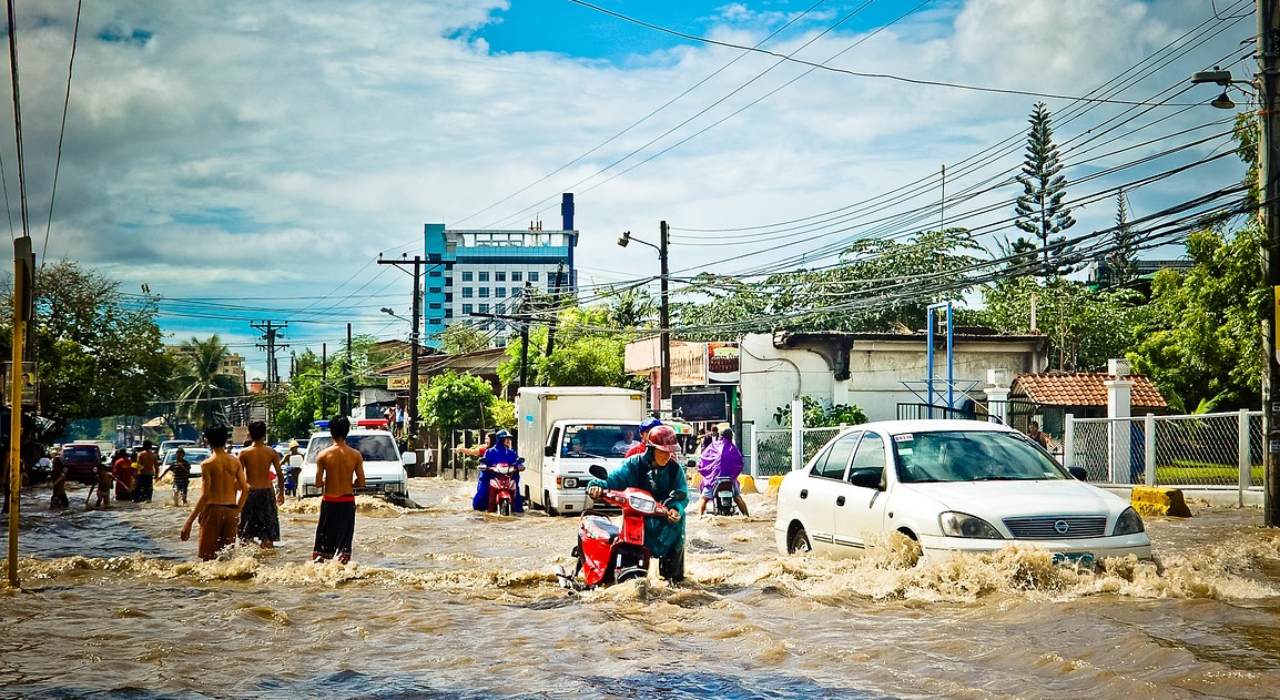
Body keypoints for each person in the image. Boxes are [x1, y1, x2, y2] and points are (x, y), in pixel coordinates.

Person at [586, 425, 688, 582]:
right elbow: (613, 479)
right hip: (639, 518)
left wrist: (676, 509)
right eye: (663, 451)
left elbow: (682, 494)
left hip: (667, 520)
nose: (667, 456)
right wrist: (597, 485)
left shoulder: (675, 470)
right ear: (651, 449)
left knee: (675, 576)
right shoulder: (634, 465)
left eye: (670, 451)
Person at [181, 425, 248, 561]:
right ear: (225, 440)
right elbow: (245, 489)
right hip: (231, 511)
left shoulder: (207, 464)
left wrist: (189, 522)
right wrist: (237, 511)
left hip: (213, 510)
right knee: (226, 558)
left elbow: (205, 496)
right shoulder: (235, 461)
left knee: (208, 558)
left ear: (207, 441)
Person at [312, 415, 365, 564]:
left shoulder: (323, 455)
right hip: (347, 502)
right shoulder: (355, 455)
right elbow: (361, 483)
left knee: (322, 548)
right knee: (344, 546)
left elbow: (317, 483)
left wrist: (328, 480)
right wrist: (350, 483)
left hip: (329, 501)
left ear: (331, 432)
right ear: (347, 431)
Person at [238, 421, 285, 549]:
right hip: (266, 493)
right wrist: (281, 493)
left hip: (250, 493)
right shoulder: (271, 452)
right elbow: (280, 475)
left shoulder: (244, 453)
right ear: (264, 434)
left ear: (249, 434)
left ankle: (246, 563)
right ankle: (268, 564)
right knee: (268, 535)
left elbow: (238, 477)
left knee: (245, 534)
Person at [695, 425, 750, 517]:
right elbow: (740, 464)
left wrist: (700, 467)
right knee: (737, 497)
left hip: (713, 480)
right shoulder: (734, 449)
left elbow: (703, 459)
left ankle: (699, 516)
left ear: (720, 436)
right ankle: (746, 515)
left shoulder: (713, 446)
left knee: (704, 498)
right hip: (730, 480)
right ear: (731, 437)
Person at [473, 430, 522, 512]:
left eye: (509, 439)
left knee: (516, 492)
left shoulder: (511, 452)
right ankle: (480, 508)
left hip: (508, 477)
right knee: (483, 492)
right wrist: (484, 466)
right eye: (505, 439)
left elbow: (516, 461)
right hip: (492, 477)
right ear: (500, 440)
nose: (508, 441)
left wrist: (519, 466)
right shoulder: (490, 451)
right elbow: (484, 462)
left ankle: (517, 510)